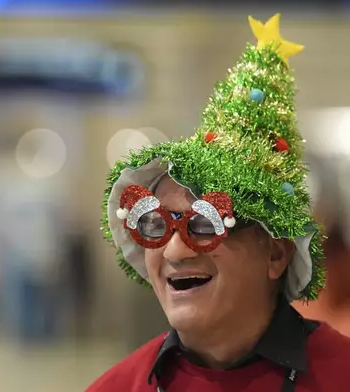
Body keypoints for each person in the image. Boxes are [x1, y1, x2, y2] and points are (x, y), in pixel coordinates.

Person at [87, 14, 350, 392]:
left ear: (276, 253)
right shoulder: (118, 387)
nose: (174, 250)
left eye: (204, 224)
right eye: (155, 224)